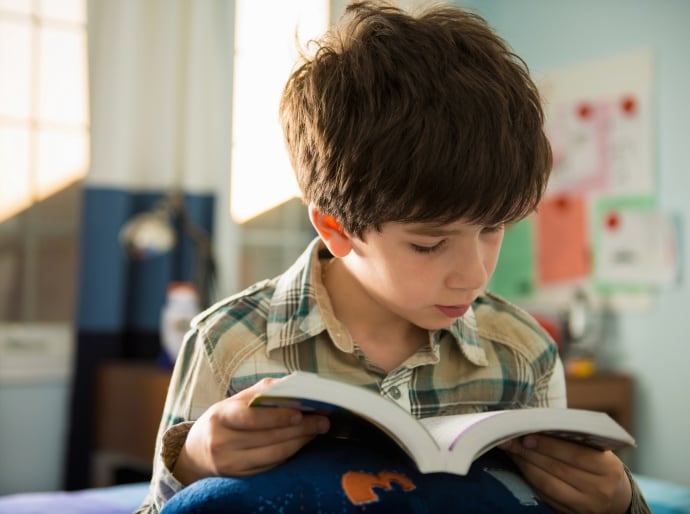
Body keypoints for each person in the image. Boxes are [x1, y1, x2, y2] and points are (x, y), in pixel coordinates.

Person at [136, 2, 650, 512]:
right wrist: (196, 464)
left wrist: (619, 502)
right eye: (429, 244)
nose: (473, 275)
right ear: (337, 229)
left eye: (494, 230)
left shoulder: (523, 353)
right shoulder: (228, 344)